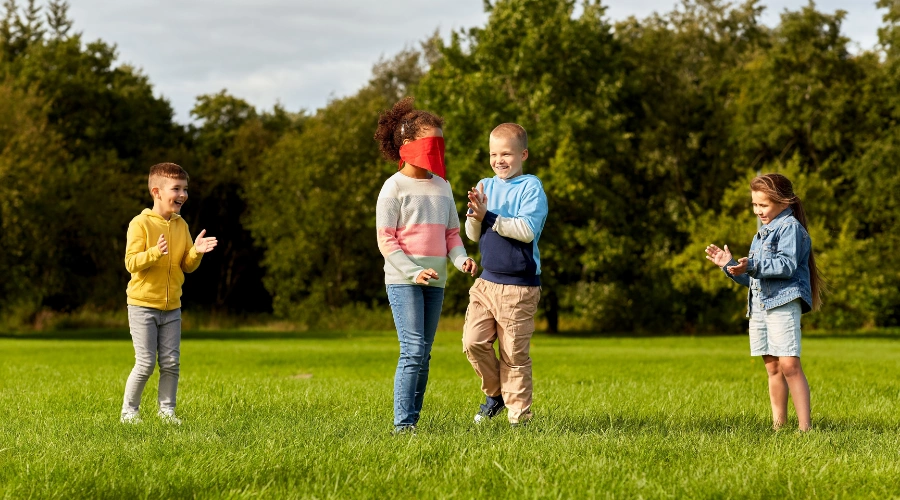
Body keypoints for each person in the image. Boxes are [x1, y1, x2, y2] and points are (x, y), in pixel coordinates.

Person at [374, 97, 478, 434]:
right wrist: (412, 271)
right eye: (431, 143)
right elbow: (386, 240)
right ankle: (403, 427)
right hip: (404, 280)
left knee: (424, 353)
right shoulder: (393, 188)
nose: (437, 150)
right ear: (408, 146)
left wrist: (461, 260)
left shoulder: (442, 186)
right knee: (413, 349)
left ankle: (413, 422)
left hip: (437, 281)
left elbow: (451, 234)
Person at [705, 173, 823, 431]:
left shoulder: (790, 228)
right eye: (755, 205)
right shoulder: (762, 233)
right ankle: (778, 426)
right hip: (760, 305)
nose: (758, 211)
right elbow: (755, 280)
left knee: (790, 364)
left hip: (783, 302)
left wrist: (753, 265)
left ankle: (806, 429)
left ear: (784, 202)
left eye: (763, 205)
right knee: (772, 367)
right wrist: (730, 267)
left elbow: (786, 265)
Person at [462, 123, 548, 427]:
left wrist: (490, 216)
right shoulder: (485, 184)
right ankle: (496, 394)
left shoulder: (530, 187)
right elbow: (472, 234)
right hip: (487, 282)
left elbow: (525, 231)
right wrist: (474, 216)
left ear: (522, 154)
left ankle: (519, 420)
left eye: (507, 154)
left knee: (513, 355)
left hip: (519, 287)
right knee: (473, 342)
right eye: (493, 154)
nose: (499, 160)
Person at [120, 163, 218, 424]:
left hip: (172, 307)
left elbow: (186, 265)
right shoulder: (140, 224)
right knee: (145, 364)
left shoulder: (181, 225)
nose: (183, 194)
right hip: (142, 305)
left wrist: (196, 251)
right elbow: (131, 263)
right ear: (157, 192)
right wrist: (154, 253)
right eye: (176, 189)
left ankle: (167, 412)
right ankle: (129, 413)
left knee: (171, 363)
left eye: (185, 189)